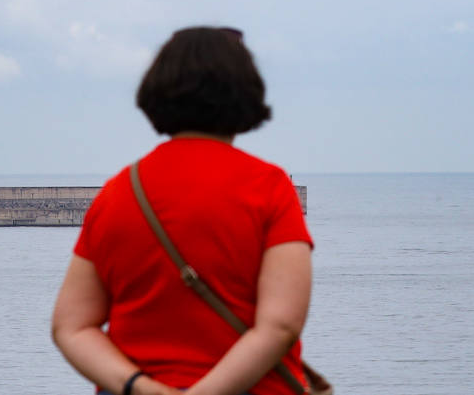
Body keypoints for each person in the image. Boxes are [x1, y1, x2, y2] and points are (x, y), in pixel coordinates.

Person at [52, 27, 314, 395]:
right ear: (246, 92)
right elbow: (281, 326)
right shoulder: (268, 187)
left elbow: (71, 326)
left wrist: (139, 386)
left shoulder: (118, 192)